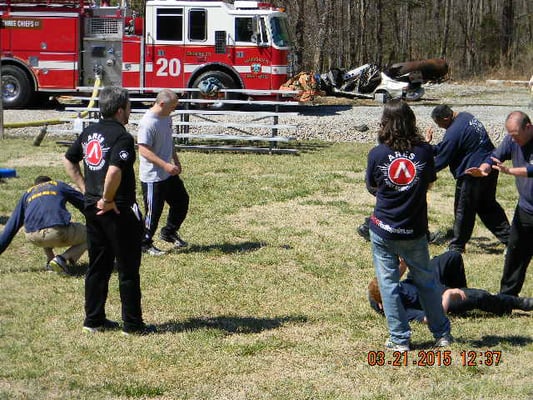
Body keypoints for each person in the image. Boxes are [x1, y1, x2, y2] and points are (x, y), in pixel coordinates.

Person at [64, 86, 155, 335]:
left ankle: (93, 320)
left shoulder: (89, 132)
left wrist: (86, 190)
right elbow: (114, 171)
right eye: (128, 107)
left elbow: (69, 159)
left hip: (92, 210)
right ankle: (133, 325)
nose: (130, 111)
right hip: (117, 210)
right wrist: (106, 198)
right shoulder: (122, 137)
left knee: (98, 266)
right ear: (119, 110)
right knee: (127, 269)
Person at [366, 99, 452, 352]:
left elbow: (372, 186)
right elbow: (428, 181)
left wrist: (392, 191)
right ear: (411, 121)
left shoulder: (377, 153)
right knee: (426, 282)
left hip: (384, 227)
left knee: (388, 284)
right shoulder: (424, 152)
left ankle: (400, 338)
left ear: (386, 123)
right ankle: (442, 334)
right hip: (414, 228)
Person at [426, 104, 510, 253]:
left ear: (446, 118)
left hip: (473, 173)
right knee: (487, 207)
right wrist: (427, 148)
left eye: (439, 123)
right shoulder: (465, 117)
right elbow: (447, 147)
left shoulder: (454, 131)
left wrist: (422, 172)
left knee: (463, 209)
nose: (440, 127)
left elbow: (442, 159)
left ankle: (457, 246)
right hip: (489, 166)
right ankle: (511, 240)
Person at [466, 111, 533, 296]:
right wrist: (484, 167)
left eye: (515, 134)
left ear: (528, 127)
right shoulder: (512, 140)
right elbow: (495, 156)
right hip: (525, 211)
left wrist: (511, 171)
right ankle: (506, 298)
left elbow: (531, 169)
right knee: (515, 255)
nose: (512, 139)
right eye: (509, 134)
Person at [368, 251, 533, 322]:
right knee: (480, 296)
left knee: (452, 257)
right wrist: (447, 297)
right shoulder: (398, 311)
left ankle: (462, 295)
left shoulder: (379, 291)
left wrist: (403, 262)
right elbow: (429, 319)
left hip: (420, 280)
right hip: (436, 298)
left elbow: (394, 277)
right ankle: (516, 303)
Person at [137, 89, 189, 256]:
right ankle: (144, 243)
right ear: (161, 104)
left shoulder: (166, 117)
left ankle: (169, 232)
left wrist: (176, 161)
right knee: (153, 213)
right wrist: (165, 165)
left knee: (181, 201)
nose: (174, 109)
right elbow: (144, 150)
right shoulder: (148, 122)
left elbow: (169, 141)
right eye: (172, 106)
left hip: (168, 173)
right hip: (153, 176)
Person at [0, 175, 86, 274]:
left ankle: (51, 261)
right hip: (56, 233)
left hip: (32, 237)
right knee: (92, 233)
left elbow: (10, 229)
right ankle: (62, 259)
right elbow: (84, 204)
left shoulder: (27, 194)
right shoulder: (58, 185)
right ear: (50, 181)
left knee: (43, 223)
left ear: (35, 185)